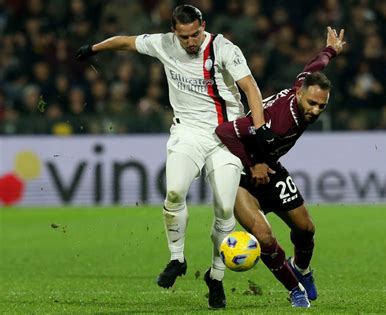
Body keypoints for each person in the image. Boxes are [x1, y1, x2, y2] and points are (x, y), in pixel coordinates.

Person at [76, 5, 272, 309]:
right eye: (185, 37)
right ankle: (177, 258)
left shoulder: (223, 48)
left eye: (195, 34)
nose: (191, 41)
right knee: (175, 191)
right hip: (187, 133)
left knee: (223, 208)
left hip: (226, 137)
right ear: (174, 33)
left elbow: (250, 88)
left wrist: (258, 132)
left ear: (203, 26)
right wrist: (92, 49)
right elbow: (126, 41)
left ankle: (216, 278)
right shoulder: (164, 44)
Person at [215, 27, 346, 308]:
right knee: (264, 236)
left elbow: (313, 67)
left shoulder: (304, 86)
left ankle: (302, 270)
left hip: (270, 167)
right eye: (312, 103)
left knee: (306, 229)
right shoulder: (277, 120)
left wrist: (331, 50)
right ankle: (295, 289)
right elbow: (224, 131)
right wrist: (253, 165)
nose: (315, 110)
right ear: (299, 94)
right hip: (239, 173)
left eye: (322, 106)